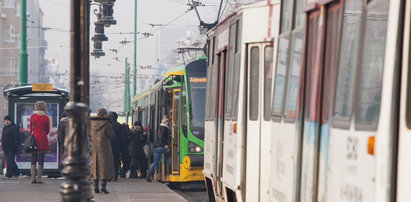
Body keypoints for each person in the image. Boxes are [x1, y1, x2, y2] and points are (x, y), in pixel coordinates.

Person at [90, 108, 115, 194]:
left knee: (94, 167)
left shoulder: (91, 123)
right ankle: (103, 187)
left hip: (93, 148)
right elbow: (111, 136)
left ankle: (95, 186)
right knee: (104, 167)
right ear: (104, 114)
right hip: (104, 148)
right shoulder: (107, 124)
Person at [30, 101, 50, 184]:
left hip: (34, 139)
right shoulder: (46, 118)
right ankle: (39, 178)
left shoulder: (33, 117)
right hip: (43, 140)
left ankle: (33, 178)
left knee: (33, 158)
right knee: (41, 159)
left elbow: (31, 129)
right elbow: (47, 130)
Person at [146, 116, 170, 182]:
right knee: (170, 156)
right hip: (162, 147)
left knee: (155, 162)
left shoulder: (160, 127)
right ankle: (167, 172)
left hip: (157, 147)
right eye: (167, 121)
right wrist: (166, 145)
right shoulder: (165, 128)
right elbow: (163, 137)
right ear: (166, 122)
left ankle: (149, 175)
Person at [107, 111, 122, 181]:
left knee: (108, 161)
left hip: (108, 147)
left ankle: (109, 176)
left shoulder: (107, 125)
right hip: (117, 147)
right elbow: (122, 138)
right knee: (116, 161)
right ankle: (115, 175)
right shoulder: (119, 125)